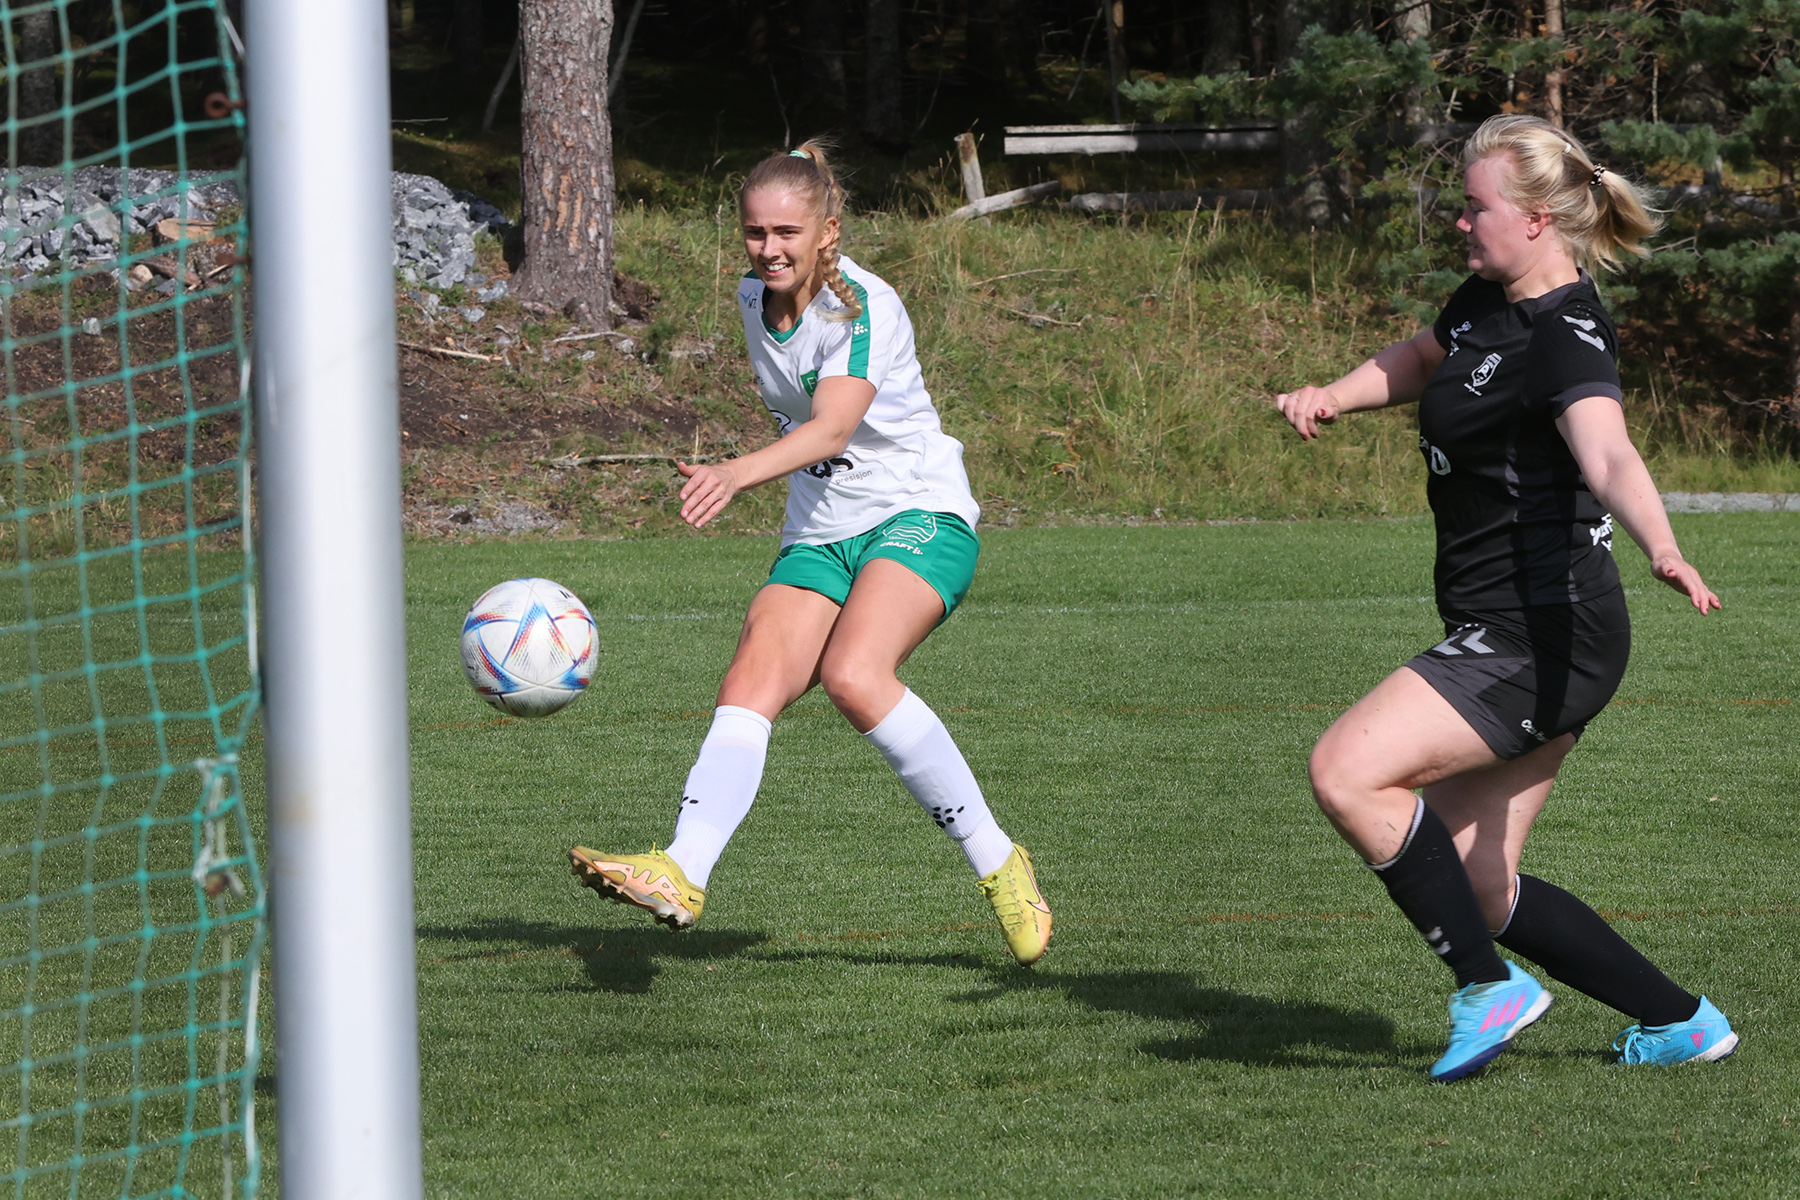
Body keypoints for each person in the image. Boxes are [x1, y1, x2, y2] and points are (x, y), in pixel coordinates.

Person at [1275, 115, 1738, 1081]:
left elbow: (1608, 449)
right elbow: (1421, 359)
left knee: (1348, 771)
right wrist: (1333, 393)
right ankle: (1682, 1021)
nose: (1460, 224)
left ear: (1533, 220)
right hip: (1520, 632)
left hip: (1538, 634)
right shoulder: (1484, 303)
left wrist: (1664, 544)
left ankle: (1490, 989)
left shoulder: (1566, 332)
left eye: (1475, 207)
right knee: (1477, 881)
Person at [568, 142, 1052, 965]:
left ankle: (1000, 862)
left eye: (787, 231)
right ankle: (682, 871)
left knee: (856, 676)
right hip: (822, 527)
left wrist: (733, 473)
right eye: (754, 232)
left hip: (918, 514)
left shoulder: (863, 307)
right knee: (752, 676)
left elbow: (831, 427)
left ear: (828, 230)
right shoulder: (753, 297)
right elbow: (814, 438)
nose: (769, 249)